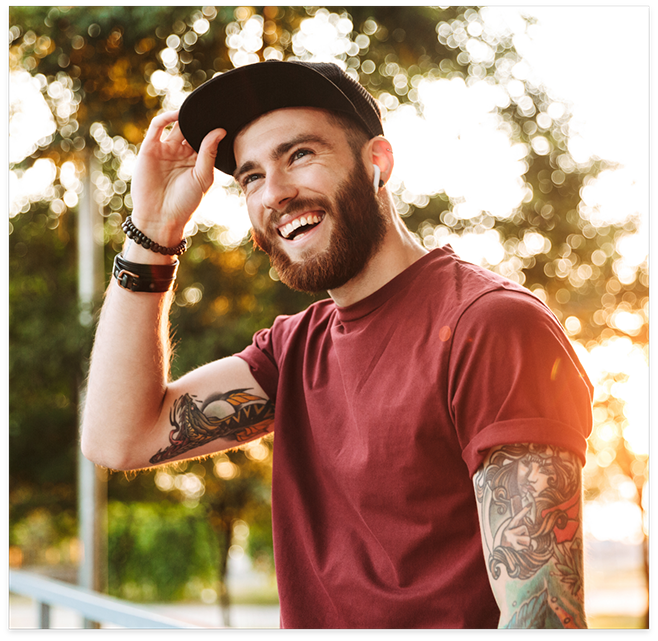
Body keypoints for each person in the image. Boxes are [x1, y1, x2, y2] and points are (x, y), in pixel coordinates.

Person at [81, 60, 593, 628]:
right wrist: (152, 232)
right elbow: (118, 439)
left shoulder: (490, 325)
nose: (275, 192)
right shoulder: (294, 350)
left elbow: (543, 617)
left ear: (377, 163)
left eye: (299, 154)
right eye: (251, 177)